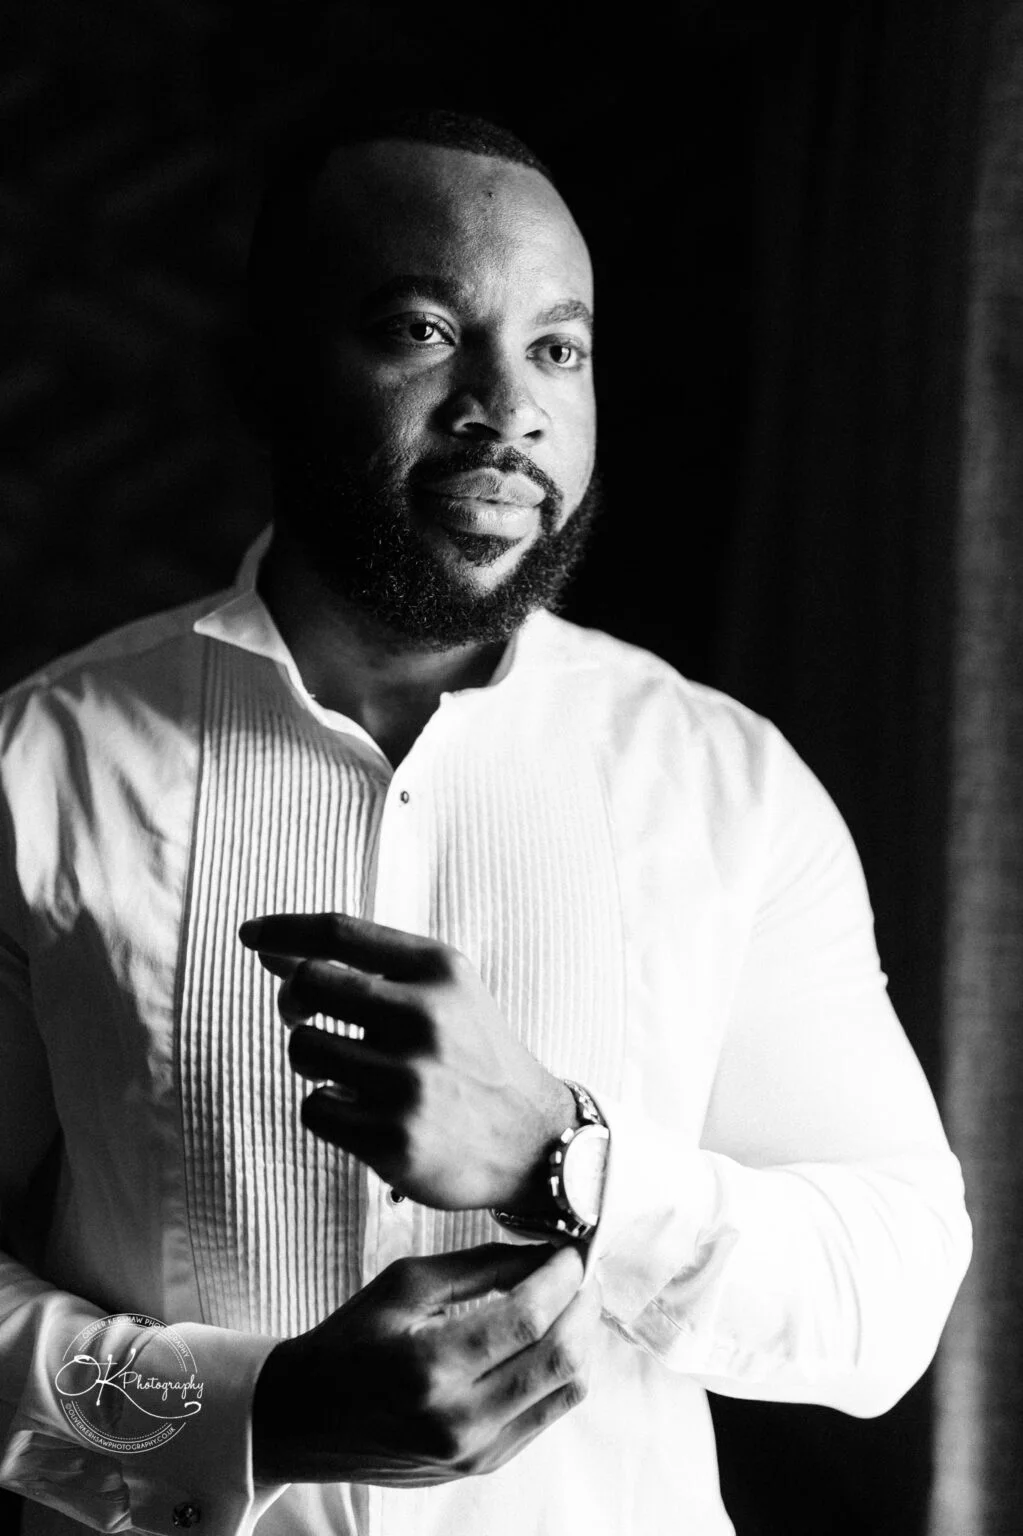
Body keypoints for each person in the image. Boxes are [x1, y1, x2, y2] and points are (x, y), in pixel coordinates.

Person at [0, 107, 971, 1536]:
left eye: (556, 348)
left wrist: (564, 1160)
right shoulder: (39, 766)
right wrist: (247, 1414)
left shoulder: (728, 785)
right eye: (422, 329)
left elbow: (889, 1295)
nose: (505, 407)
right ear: (261, 376)